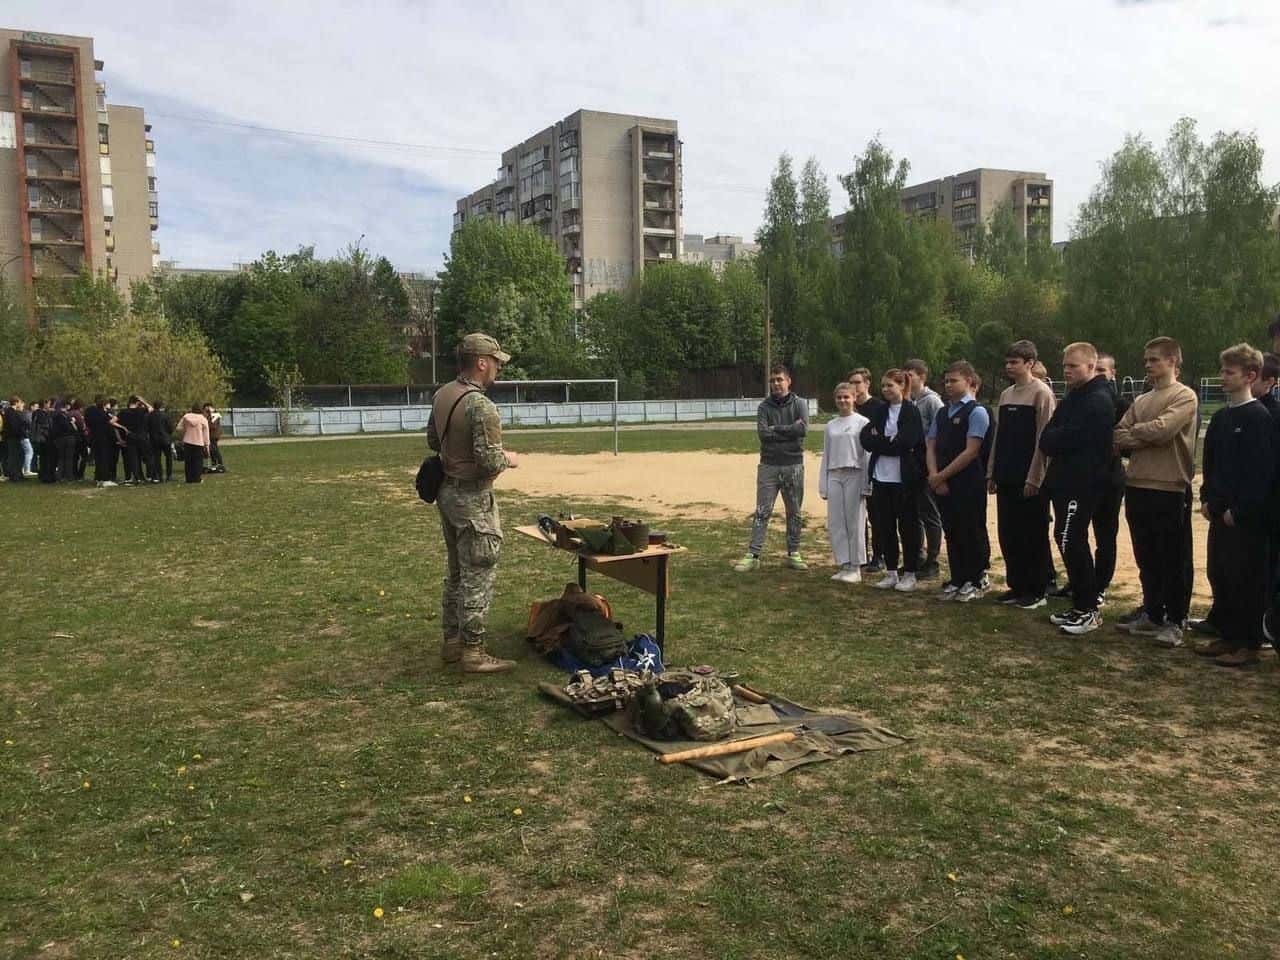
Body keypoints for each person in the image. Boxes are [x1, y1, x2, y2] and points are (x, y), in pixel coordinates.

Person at [427, 332, 520, 674]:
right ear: (481, 363)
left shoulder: (443, 394)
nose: (498, 367)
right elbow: (488, 460)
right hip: (472, 498)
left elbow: (432, 439)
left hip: (447, 493)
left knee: (456, 572)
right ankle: (473, 652)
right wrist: (509, 458)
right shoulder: (481, 406)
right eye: (495, 361)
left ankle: (452, 642)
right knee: (478, 571)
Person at [1110, 338, 1198, 648]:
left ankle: (1176, 619)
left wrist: (1139, 433)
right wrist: (1146, 434)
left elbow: (1164, 430)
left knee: (1173, 557)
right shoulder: (1142, 399)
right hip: (1137, 484)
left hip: (1169, 487)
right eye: (1146, 360)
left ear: (1173, 361)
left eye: (1155, 359)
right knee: (1146, 555)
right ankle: (1153, 612)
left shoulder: (1184, 396)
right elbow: (1118, 434)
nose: (1148, 365)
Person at [1195, 344, 1277, 668]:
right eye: (1222, 370)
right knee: (1221, 572)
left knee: (1247, 578)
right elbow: (1211, 463)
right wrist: (1206, 498)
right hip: (1219, 513)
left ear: (1250, 376)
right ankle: (1228, 635)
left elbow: (1261, 472)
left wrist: (1240, 511)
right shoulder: (1221, 417)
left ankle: (1248, 643)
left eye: (1230, 372)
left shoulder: (1259, 418)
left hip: (1245, 518)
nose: (1223, 377)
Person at [1038, 342, 1116, 635]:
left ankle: (1089, 609)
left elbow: (1073, 439)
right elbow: (1047, 438)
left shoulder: (1098, 399)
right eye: (1065, 366)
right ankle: (1080, 604)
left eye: (1073, 366)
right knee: (1065, 536)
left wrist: (1060, 437)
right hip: (1065, 481)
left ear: (1091, 366)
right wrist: (1060, 437)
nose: (1067, 371)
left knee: (1071, 538)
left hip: (1084, 483)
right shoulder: (1074, 396)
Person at [986, 340, 1055, 609]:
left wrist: (1035, 477)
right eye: (1007, 362)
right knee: (1009, 532)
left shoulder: (1042, 393)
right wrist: (992, 472)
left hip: (1029, 478)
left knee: (1032, 534)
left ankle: (1037, 589)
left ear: (1030, 363)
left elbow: (1043, 439)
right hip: (1006, 475)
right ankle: (1017, 585)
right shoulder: (1006, 395)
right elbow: (999, 438)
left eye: (1014, 362)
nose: (1009, 367)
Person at [927, 361, 992, 603]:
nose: (948, 385)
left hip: (967, 481)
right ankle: (958, 577)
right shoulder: (942, 412)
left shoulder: (977, 412)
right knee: (952, 529)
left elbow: (971, 451)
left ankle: (976, 579)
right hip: (942, 482)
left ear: (969, 382)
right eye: (946, 381)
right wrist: (934, 475)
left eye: (954, 381)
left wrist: (942, 476)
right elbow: (930, 445)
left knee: (971, 529)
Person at [734, 363, 809, 572]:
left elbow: (802, 430)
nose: (776, 384)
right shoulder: (764, 407)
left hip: (793, 465)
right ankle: (753, 554)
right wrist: (789, 430)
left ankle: (793, 553)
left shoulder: (800, 404)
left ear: (789, 381)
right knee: (762, 511)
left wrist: (776, 429)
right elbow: (763, 434)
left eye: (779, 380)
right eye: (772, 381)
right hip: (768, 465)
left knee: (794, 512)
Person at [860, 369, 925, 592]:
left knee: (908, 526)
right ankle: (890, 571)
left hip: (904, 479)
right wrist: (887, 441)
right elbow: (866, 438)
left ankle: (910, 572)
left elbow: (906, 442)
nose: (886, 389)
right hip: (881, 476)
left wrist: (882, 440)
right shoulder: (880, 411)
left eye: (890, 385)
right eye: (884, 386)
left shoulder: (911, 411)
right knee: (884, 525)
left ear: (902, 386)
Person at [819, 382, 870, 583]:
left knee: (854, 521)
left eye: (846, 397)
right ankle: (844, 563)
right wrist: (823, 484)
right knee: (836, 522)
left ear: (854, 398)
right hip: (834, 474)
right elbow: (826, 454)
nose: (843, 401)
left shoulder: (862, 422)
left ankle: (856, 567)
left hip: (854, 474)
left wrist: (866, 483)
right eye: (839, 397)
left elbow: (866, 454)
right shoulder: (831, 425)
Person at [903, 359, 945, 578]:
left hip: (927, 464)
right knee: (914, 513)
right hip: (912, 465)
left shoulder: (932, 401)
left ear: (922, 376)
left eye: (910, 375)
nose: (907, 379)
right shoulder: (910, 401)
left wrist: (934, 468)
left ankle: (933, 561)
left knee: (929, 513)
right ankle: (917, 557)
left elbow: (941, 432)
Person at [849, 367, 886, 573]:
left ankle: (879, 556)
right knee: (857, 515)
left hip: (873, 466)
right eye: (851, 383)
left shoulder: (878, 407)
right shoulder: (849, 406)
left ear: (867, 384)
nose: (854, 387)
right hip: (853, 466)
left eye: (857, 382)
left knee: (876, 513)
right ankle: (859, 554)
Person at [117, 396, 153, 485]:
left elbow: (112, 421)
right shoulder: (141, 411)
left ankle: (137, 478)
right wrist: (143, 401)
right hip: (141, 437)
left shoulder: (123, 412)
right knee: (148, 457)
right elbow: (151, 409)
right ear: (137, 402)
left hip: (130, 437)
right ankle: (151, 476)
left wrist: (123, 428)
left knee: (134, 458)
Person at [177, 403, 210, 483]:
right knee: (198, 461)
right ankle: (197, 478)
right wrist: (207, 444)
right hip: (198, 442)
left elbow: (179, 428)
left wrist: (186, 430)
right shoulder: (203, 419)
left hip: (188, 441)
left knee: (188, 461)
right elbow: (206, 433)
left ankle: (189, 478)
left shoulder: (186, 416)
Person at [3, 397, 30, 481]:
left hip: (14, 437)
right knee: (14, 456)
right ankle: (14, 475)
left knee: (19, 455)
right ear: (16, 402)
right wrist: (21, 432)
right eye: (19, 402)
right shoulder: (10, 412)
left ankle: (18, 474)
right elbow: (14, 425)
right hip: (13, 437)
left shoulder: (12, 412)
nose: (20, 404)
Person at [148, 400, 175, 482]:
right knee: (168, 457)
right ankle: (169, 475)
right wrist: (168, 434)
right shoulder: (165, 415)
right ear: (161, 407)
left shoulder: (149, 416)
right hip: (165, 439)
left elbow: (147, 427)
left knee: (157, 458)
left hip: (154, 439)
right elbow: (170, 428)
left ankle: (159, 475)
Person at [203, 404, 225, 472]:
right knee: (212, 450)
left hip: (213, 435)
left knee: (215, 449)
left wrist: (206, 425)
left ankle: (220, 463)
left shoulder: (215, 415)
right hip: (211, 435)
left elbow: (213, 425)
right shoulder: (211, 415)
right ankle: (214, 463)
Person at [29, 400, 49, 476]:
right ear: (44, 404)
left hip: (34, 436)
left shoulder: (35, 413)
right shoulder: (43, 414)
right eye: (48, 404)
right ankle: (40, 469)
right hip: (40, 437)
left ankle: (33, 468)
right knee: (42, 455)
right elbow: (44, 426)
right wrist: (45, 434)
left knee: (34, 453)